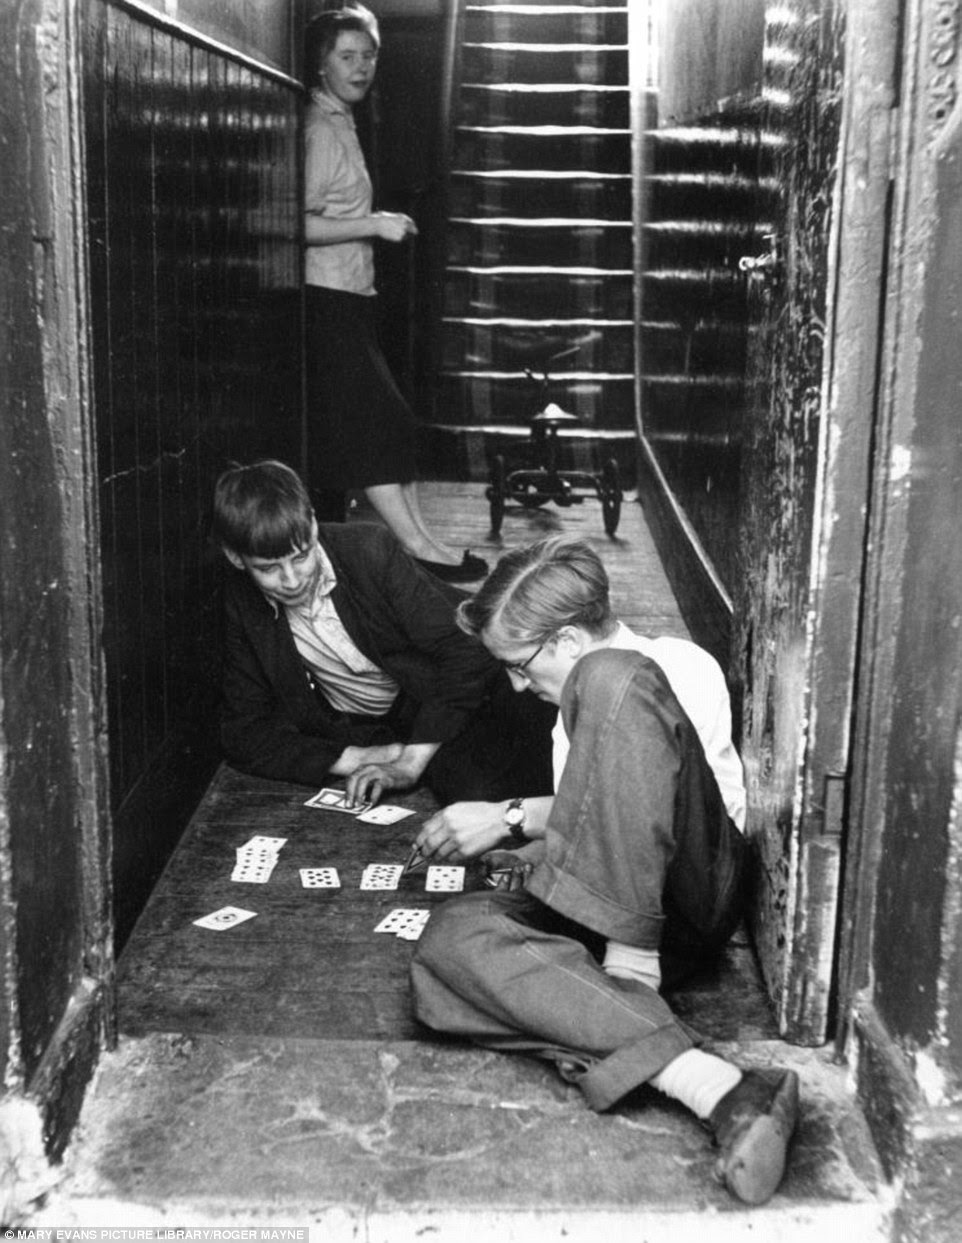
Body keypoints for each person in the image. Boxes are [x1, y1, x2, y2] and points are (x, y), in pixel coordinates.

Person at [409, 537, 799, 1206]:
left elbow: (659, 813)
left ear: (563, 638)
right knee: (447, 945)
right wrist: (540, 858)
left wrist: (511, 817)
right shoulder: (571, 708)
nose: (515, 683)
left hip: (693, 894)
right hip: (614, 902)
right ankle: (713, 1083)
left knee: (609, 676)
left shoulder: (664, 666)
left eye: (519, 664)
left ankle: (626, 974)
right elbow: (606, 820)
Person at [211, 460, 554, 806]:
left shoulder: (368, 549)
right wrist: (356, 758)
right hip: (387, 726)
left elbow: (466, 649)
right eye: (269, 568)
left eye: (300, 557)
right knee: (471, 794)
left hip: (464, 686)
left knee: (535, 751)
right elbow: (244, 731)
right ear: (236, 558)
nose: (291, 580)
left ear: (313, 523)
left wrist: (411, 762)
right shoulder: (241, 603)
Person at [303, 5, 485, 583]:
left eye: (369, 55)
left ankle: (422, 539)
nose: (361, 67)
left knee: (391, 422)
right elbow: (298, 225)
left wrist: (373, 216)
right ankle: (413, 545)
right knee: (376, 428)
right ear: (322, 64)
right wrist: (372, 225)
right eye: (346, 56)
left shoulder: (341, 121)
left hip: (352, 293)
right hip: (324, 296)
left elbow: (336, 205)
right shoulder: (318, 128)